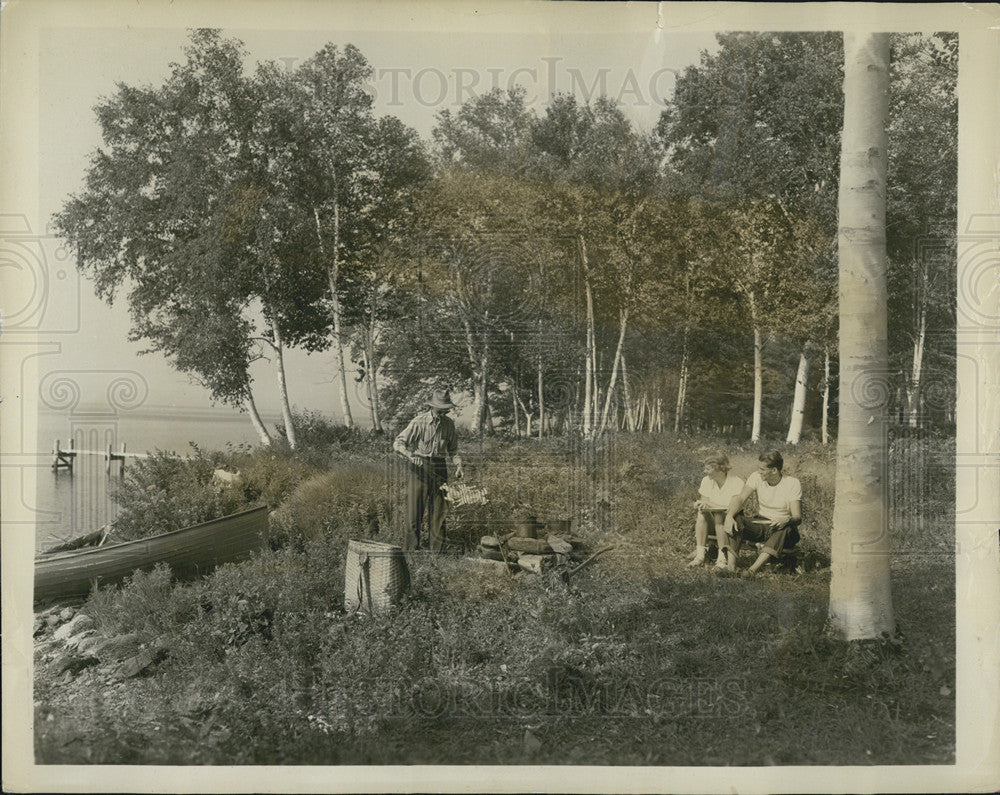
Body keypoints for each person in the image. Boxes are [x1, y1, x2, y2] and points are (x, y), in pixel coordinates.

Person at [393, 388, 464, 553]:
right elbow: (398, 443)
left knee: (440, 511)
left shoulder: (449, 425)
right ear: (432, 407)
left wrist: (459, 464)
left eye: (446, 408)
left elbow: (453, 451)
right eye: (441, 408)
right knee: (414, 510)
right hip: (419, 467)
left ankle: (436, 552)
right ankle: (412, 550)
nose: (444, 411)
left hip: (440, 468)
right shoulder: (419, 422)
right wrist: (410, 455)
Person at [723, 450, 802, 575]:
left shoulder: (792, 483)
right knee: (736, 518)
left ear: (774, 470)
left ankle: (751, 571)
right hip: (761, 523)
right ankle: (731, 568)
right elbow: (740, 498)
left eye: (762, 469)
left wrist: (786, 520)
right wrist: (729, 516)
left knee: (785, 528)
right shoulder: (756, 477)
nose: (759, 471)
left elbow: (798, 518)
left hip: (782, 528)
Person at [687, 453, 744, 568]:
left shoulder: (736, 482)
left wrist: (708, 503)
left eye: (708, 469)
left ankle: (722, 559)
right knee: (702, 513)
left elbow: (731, 508)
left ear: (720, 469)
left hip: (732, 522)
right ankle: (700, 556)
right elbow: (705, 503)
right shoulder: (706, 481)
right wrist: (700, 504)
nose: (705, 471)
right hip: (713, 522)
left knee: (719, 515)